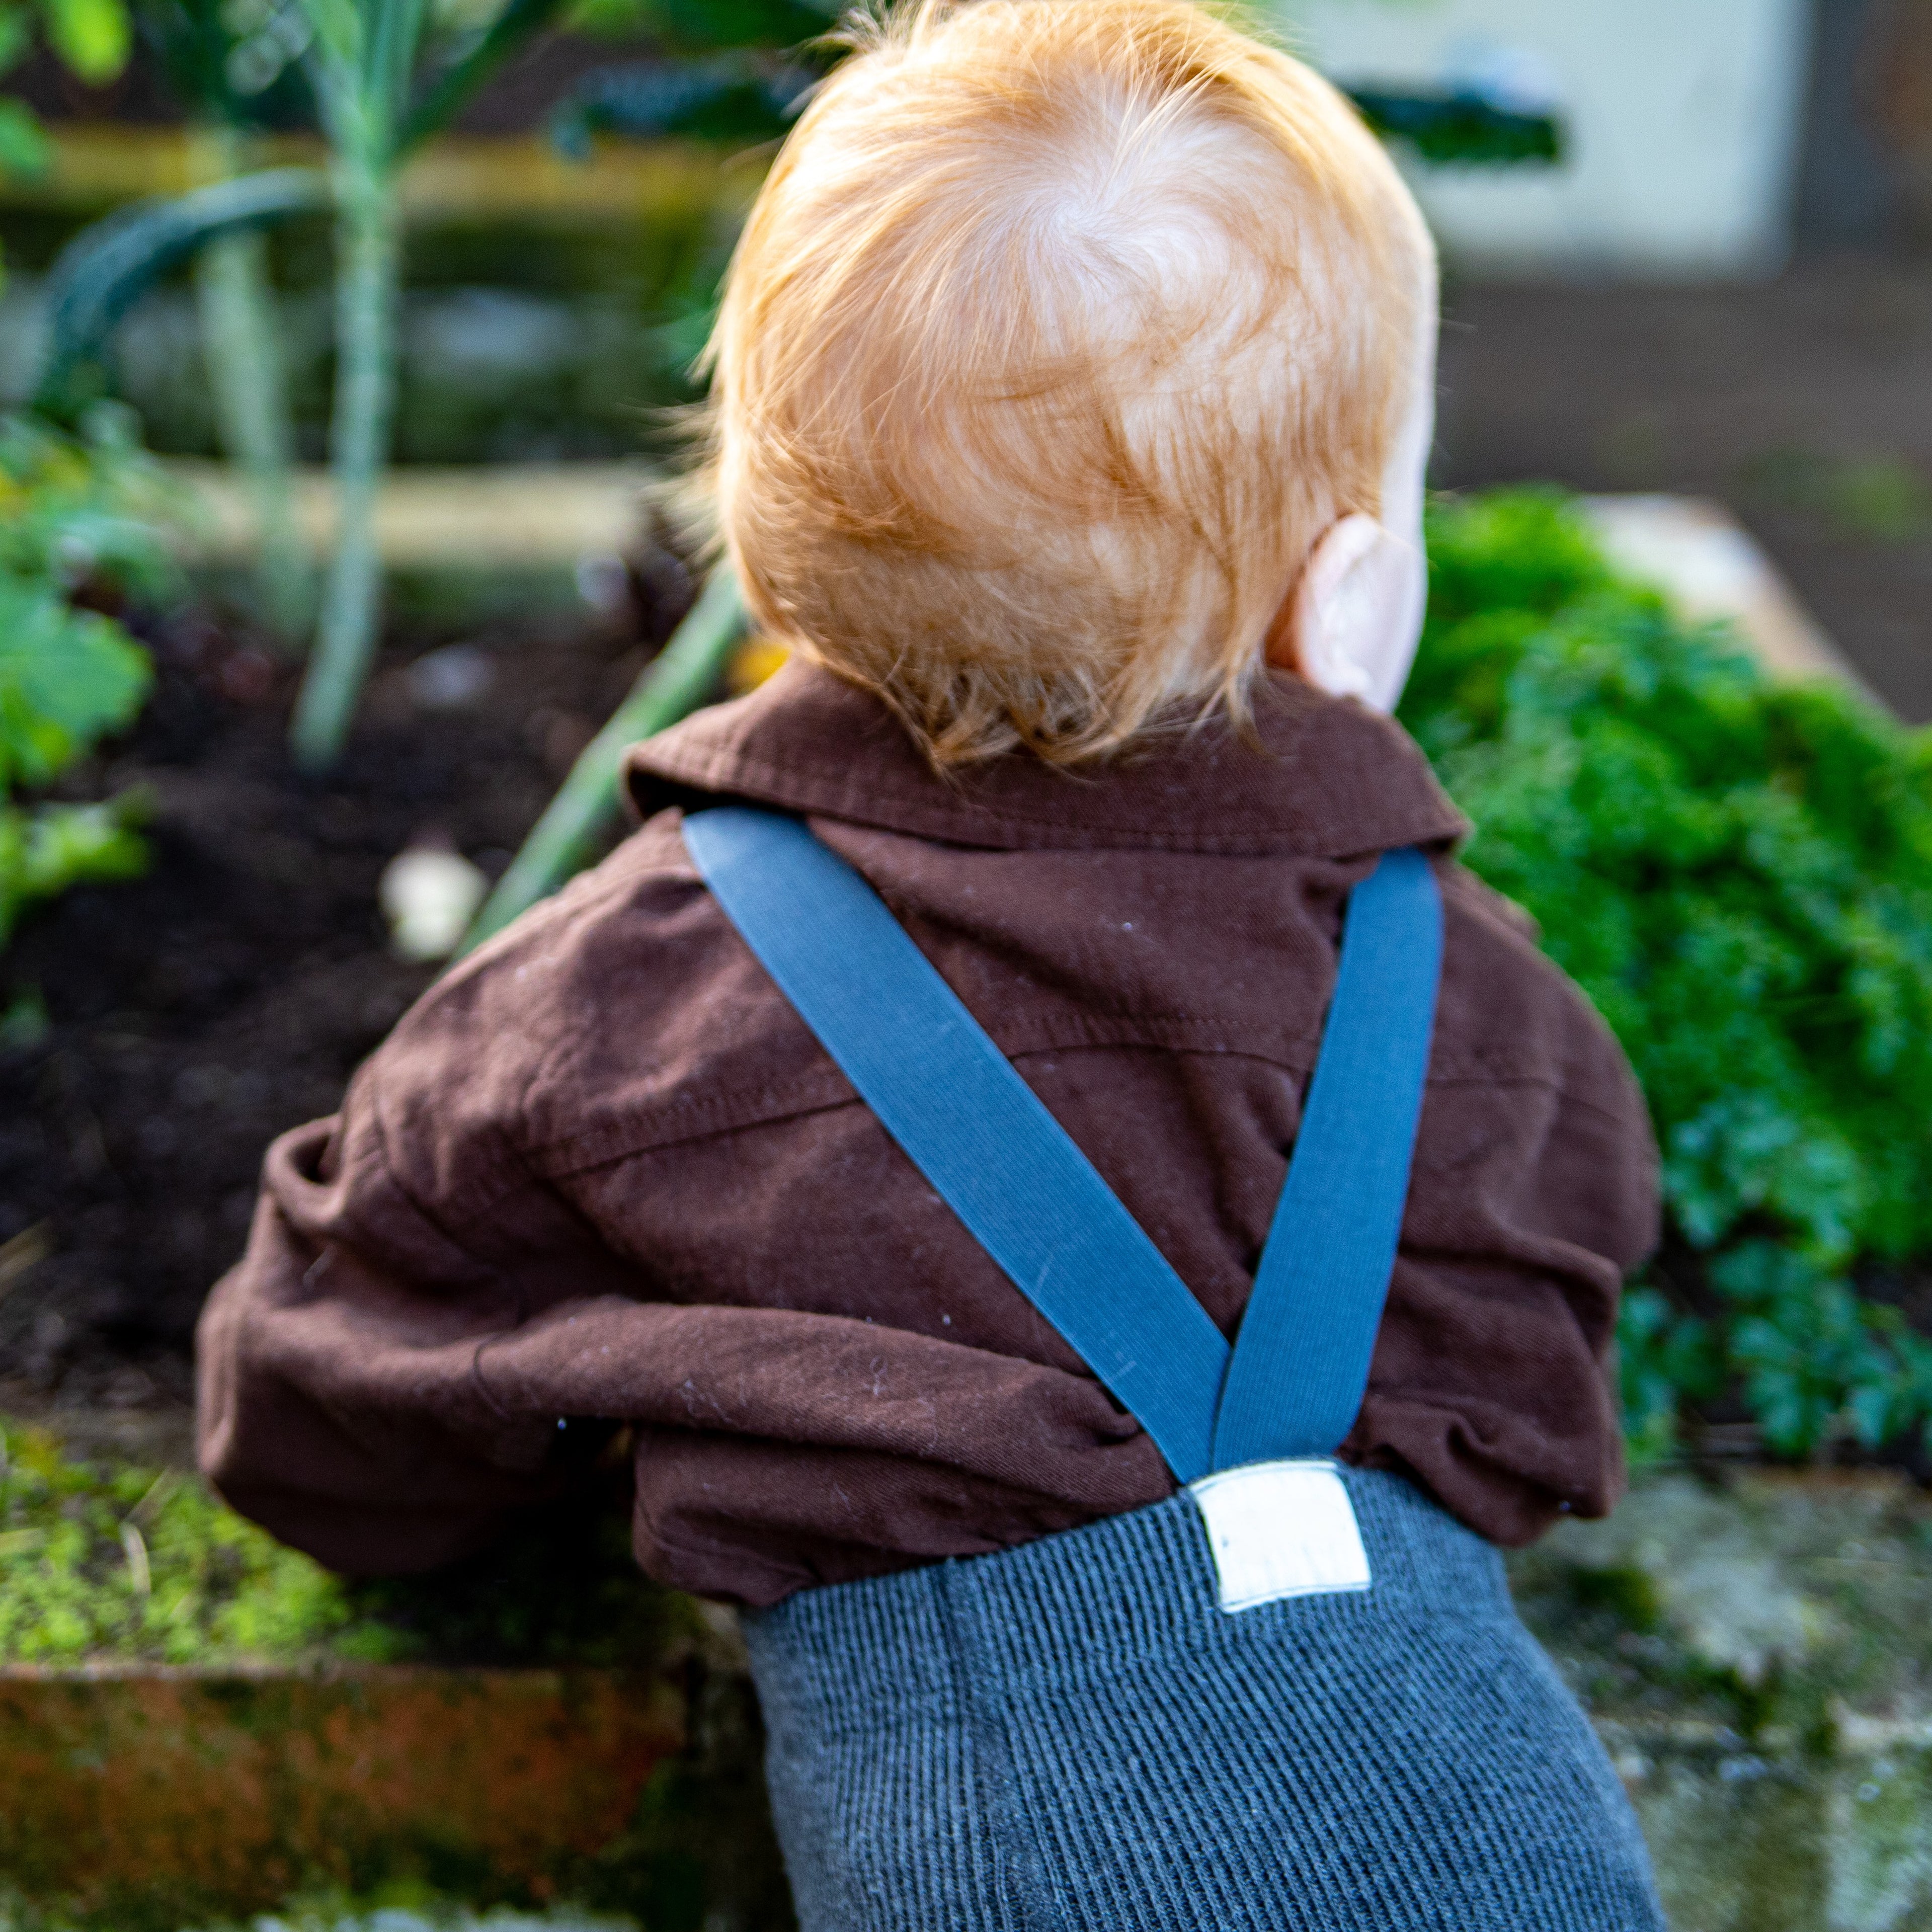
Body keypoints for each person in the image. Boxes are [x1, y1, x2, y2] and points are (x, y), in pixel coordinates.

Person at [198, 2, 1668, 1924]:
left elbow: (317, 1394)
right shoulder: (1492, 1027)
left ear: (763, 558)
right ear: (1355, 602)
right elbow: (1538, 1383)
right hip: (1517, 1858)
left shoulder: (629, 1011)